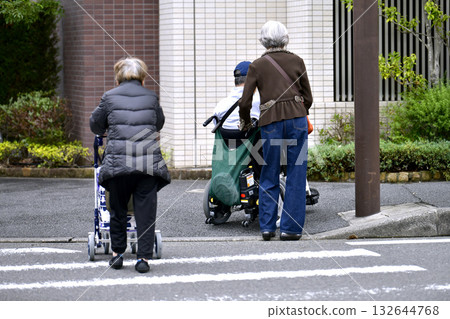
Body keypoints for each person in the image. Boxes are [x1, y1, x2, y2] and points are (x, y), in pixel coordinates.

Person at [90, 57, 171, 273]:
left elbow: (95, 124)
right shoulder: (151, 97)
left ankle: (117, 255)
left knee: (117, 208)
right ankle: (143, 258)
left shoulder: (109, 97)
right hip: (147, 164)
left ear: (119, 77)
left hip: (118, 163)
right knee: (146, 211)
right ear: (142, 77)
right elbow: (159, 122)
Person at [239, 21, 313, 241]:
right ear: (285, 38)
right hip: (297, 120)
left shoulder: (257, 66)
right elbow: (308, 97)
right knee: (296, 173)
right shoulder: (297, 61)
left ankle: (267, 228)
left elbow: (245, 102)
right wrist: (297, 110)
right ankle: (291, 229)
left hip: (270, 122)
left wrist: (246, 122)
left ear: (263, 40)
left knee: (269, 171)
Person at [213, 61, 260, 146]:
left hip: (230, 155)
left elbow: (216, 126)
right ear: (253, 81)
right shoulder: (259, 102)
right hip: (255, 155)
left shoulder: (221, 105)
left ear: (235, 81)